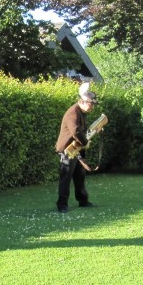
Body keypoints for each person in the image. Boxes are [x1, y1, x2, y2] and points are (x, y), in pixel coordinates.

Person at [55, 84, 100, 213]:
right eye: (91, 104)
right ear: (82, 102)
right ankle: (62, 205)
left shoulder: (81, 112)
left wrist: (95, 130)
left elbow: (82, 131)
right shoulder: (73, 112)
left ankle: (83, 201)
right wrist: (85, 142)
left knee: (80, 176)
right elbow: (75, 132)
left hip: (76, 148)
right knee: (66, 177)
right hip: (68, 150)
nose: (92, 107)